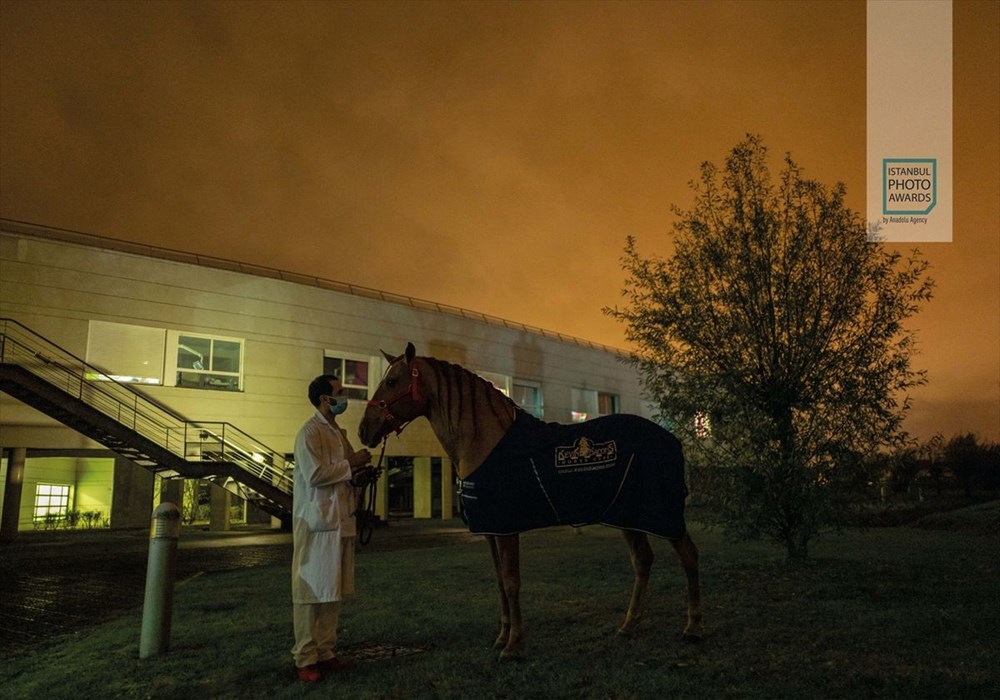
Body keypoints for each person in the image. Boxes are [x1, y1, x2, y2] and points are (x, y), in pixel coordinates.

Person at [290, 374, 372, 683]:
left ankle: (325, 651)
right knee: (310, 592)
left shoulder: (337, 432)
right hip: (315, 522)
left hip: (340, 520)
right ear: (325, 399)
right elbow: (315, 475)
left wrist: (359, 472)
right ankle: (305, 656)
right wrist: (352, 465)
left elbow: (343, 471)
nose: (344, 396)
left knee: (332, 590)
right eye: (339, 392)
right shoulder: (309, 433)